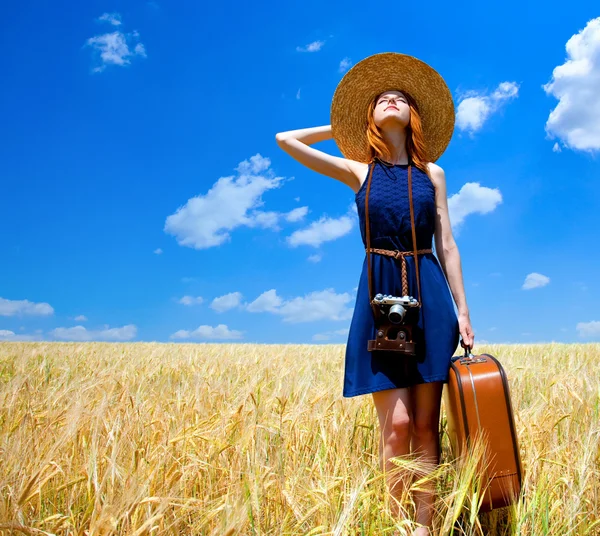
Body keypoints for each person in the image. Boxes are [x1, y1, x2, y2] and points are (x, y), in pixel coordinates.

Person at [276, 52, 474, 535]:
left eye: (401, 99)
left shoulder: (434, 175)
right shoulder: (359, 170)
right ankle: (400, 525)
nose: (391, 100)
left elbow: (446, 243)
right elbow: (287, 140)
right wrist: (344, 124)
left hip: (429, 291)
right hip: (378, 295)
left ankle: (425, 526)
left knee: (427, 426)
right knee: (398, 424)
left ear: (414, 117)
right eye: (382, 99)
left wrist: (464, 312)